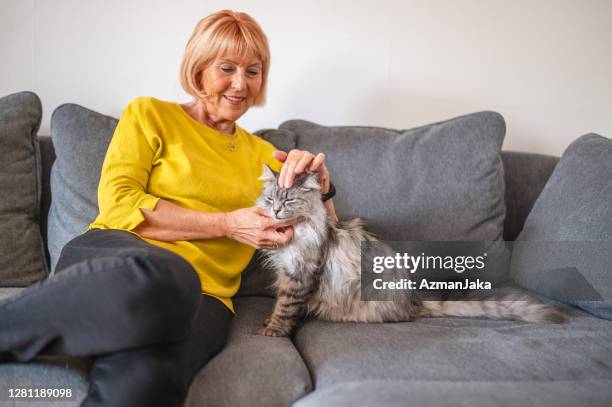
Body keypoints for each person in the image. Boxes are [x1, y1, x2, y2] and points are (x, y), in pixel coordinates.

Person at [0, 10, 336, 407]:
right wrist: (228, 224)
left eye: (253, 71)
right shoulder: (150, 115)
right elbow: (120, 202)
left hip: (208, 299)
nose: (241, 83)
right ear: (199, 69)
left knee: (146, 384)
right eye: (227, 68)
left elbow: (324, 249)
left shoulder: (266, 156)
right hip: (119, 258)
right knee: (167, 279)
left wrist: (324, 190)